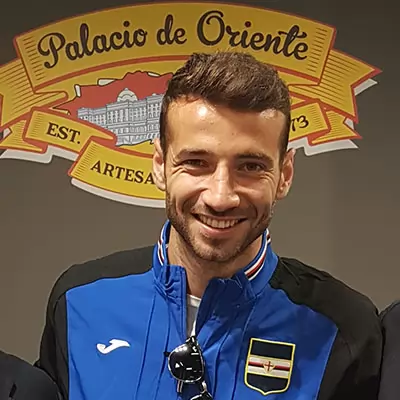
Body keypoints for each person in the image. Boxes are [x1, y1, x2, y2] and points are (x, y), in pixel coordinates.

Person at [35, 51, 383, 400]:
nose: (221, 197)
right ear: (160, 165)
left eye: (250, 166)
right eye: (196, 162)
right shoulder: (79, 302)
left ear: (285, 174)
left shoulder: (343, 330)